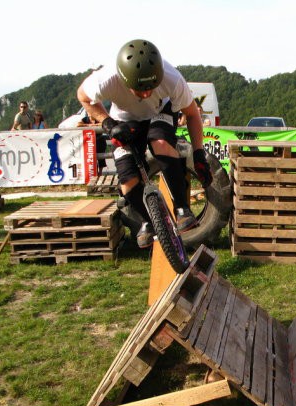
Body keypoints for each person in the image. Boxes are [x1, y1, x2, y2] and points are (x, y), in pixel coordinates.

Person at [77, 39, 212, 249]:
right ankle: (147, 222)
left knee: (159, 142)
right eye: (140, 90)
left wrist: (199, 153)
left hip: (161, 112)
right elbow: (83, 97)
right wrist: (108, 123)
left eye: (151, 87)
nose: (147, 94)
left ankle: (182, 209)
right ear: (124, 80)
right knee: (127, 181)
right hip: (124, 119)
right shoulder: (106, 79)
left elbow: (192, 114)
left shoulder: (172, 79)